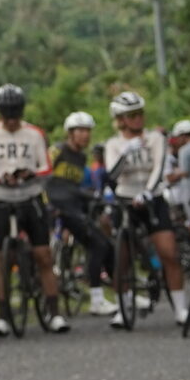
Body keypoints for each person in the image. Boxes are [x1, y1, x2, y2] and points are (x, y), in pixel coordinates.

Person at [0, 84, 65, 335]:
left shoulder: (34, 134)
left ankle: (54, 313)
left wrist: (30, 174)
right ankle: (2, 317)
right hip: (2, 198)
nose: (11, 121)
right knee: (4, 259)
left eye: (15, 115)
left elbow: (46, 166)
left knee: (43, 255)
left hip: (30, 197)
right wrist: (0, 177)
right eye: (7, 115)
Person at [101, 91, 186, 326]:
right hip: (125, 199)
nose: (138, 119)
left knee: (168, 252)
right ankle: (123, 305)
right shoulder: (114, 144)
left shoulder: (155, 139)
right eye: (131, 115)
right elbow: (112, 174)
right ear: (120, 119)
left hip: (152, 198)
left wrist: (148, 191)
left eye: (140, 114)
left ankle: (180, 307)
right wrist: (126, 153)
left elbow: (159, 166)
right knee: (122, 256)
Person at [45, 110, 116, 316]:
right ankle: (96, 298)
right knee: (98, 244)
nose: (85, 135)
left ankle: (120, 293)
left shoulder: (81, 157)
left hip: (73, 206)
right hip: (57, 207)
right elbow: (43, 176)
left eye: (88, 131)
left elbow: (72, 187)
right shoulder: (57, 151)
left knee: (103, 243)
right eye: (80, 131)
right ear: (70, 133)